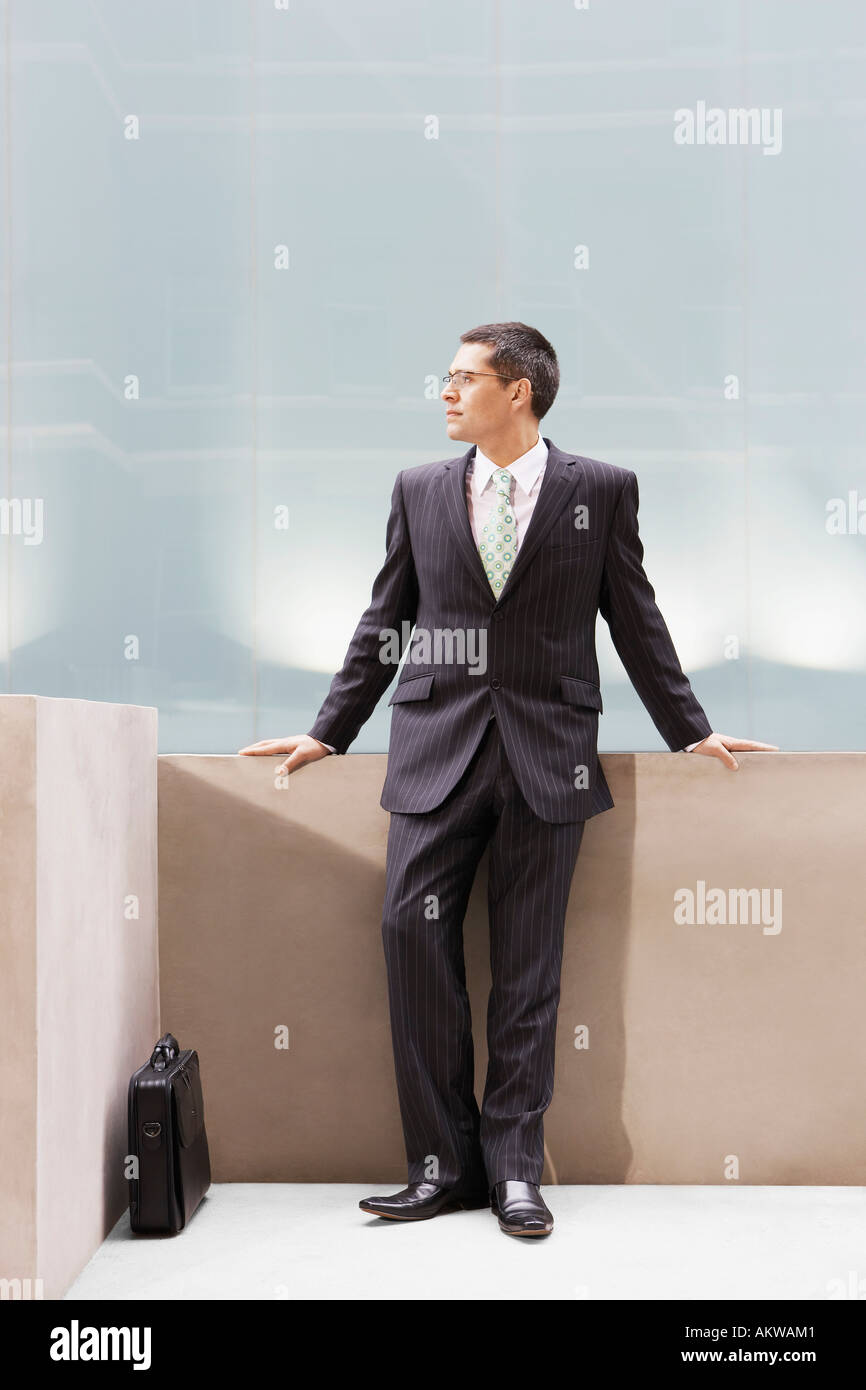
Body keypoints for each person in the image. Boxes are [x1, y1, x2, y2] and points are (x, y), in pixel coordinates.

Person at [239, 321, 777, 1238]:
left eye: (461, 378)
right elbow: (387, 622)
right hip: (434, 752)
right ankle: (441, 1167)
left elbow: (632, 616)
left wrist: (688, 729)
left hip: (548, 754)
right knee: (413, 943)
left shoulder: (598, 491)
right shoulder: (418, 490)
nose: (445, 394)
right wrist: (330, 732)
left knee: (529, 970)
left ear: (518, 391)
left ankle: (516, 1174)